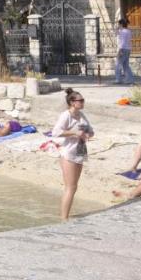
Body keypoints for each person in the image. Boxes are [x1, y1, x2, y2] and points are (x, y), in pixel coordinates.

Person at [52, 89, 94, 221]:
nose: (83, 102)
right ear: (72, 102)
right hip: (68, 152)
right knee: (70, 187)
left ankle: (65, 216)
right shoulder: (66, 115)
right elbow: (56, 132)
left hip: (80, 151)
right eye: (80, 100)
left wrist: (88, 134)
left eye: (83, 100)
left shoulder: (81, 115)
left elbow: (91, 131)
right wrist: (74, 133)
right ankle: (64, 218)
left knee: (74, 186)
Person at [115, 19, 135, 85]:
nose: (118, 25)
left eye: (119, 24)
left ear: (121, 24)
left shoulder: (123, 32)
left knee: (118, 64)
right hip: (128, 49)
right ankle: (130, 79)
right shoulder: (128, 31)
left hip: (123, 49)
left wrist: (119, 51)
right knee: (126, 65)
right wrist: (117, 29)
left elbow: (122, 42)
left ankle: (118, 79)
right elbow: (117, 34)